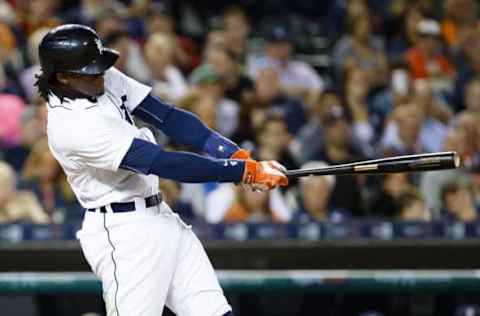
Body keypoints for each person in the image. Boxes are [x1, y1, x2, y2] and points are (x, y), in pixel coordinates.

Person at [36, 24, 288, 316]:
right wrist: (241, 172)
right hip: (124, 234)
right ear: (63, 77)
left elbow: (166, 116)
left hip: (160, 216)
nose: (101, 72)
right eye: (91, 70)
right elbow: (164, 163)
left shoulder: (93, 80)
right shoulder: (73, 126)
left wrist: (233, 153)